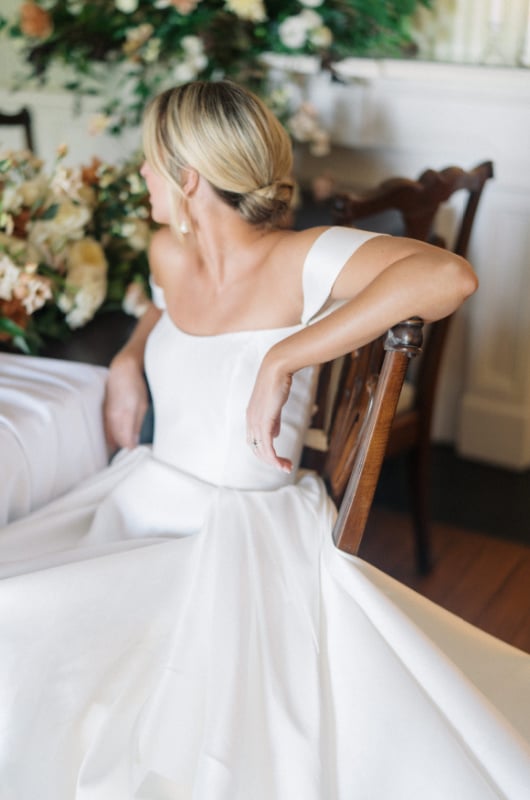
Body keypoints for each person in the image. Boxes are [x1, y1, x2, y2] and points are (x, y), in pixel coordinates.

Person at [1, 80, 528, 800]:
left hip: (234, 537)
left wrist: (289, 354)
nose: (142, 177)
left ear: (189, 178)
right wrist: (129, 357)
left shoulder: (299, 257)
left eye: (152, 164)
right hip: (142, 498)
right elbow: (164, 311)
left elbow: (448, 275)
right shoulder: (167, 253)